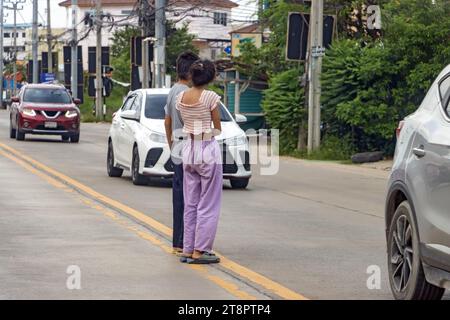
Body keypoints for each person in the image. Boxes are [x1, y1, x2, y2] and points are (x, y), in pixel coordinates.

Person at [176, 59, 223, 264]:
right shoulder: (211, 97)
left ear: (191, 76)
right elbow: (217, 128)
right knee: (209, 202)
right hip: (206, 147)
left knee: (191, 202)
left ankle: (187, 248)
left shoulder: (182, 97)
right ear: (211, 77)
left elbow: (184, 120)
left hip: (188, 149)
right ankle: (200, 250)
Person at [164, 51, 199, 255]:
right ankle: (189, 242)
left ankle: (178, 241)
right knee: (192, 198)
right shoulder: (187, 94)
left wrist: (171, 144)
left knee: (179, 198)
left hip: (177, 148)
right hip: (189, 148)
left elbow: (167, 121)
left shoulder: (172, 91)